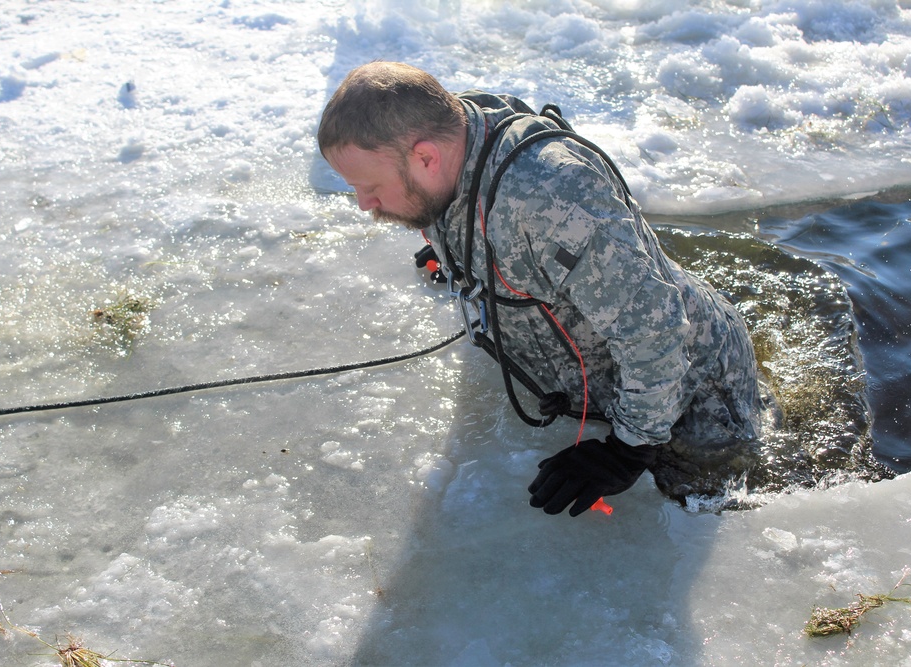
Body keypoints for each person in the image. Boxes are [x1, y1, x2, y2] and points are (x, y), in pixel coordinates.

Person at [317, 61, 763, 516]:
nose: (363, 203)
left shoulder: (551, 194)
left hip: (692, 385)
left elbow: (655, 331)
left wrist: (630, 448)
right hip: (597, 376)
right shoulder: (454, 135)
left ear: (426, 157)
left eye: (371, 186)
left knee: (702, 495)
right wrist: (455, 249)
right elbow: (465, 205)